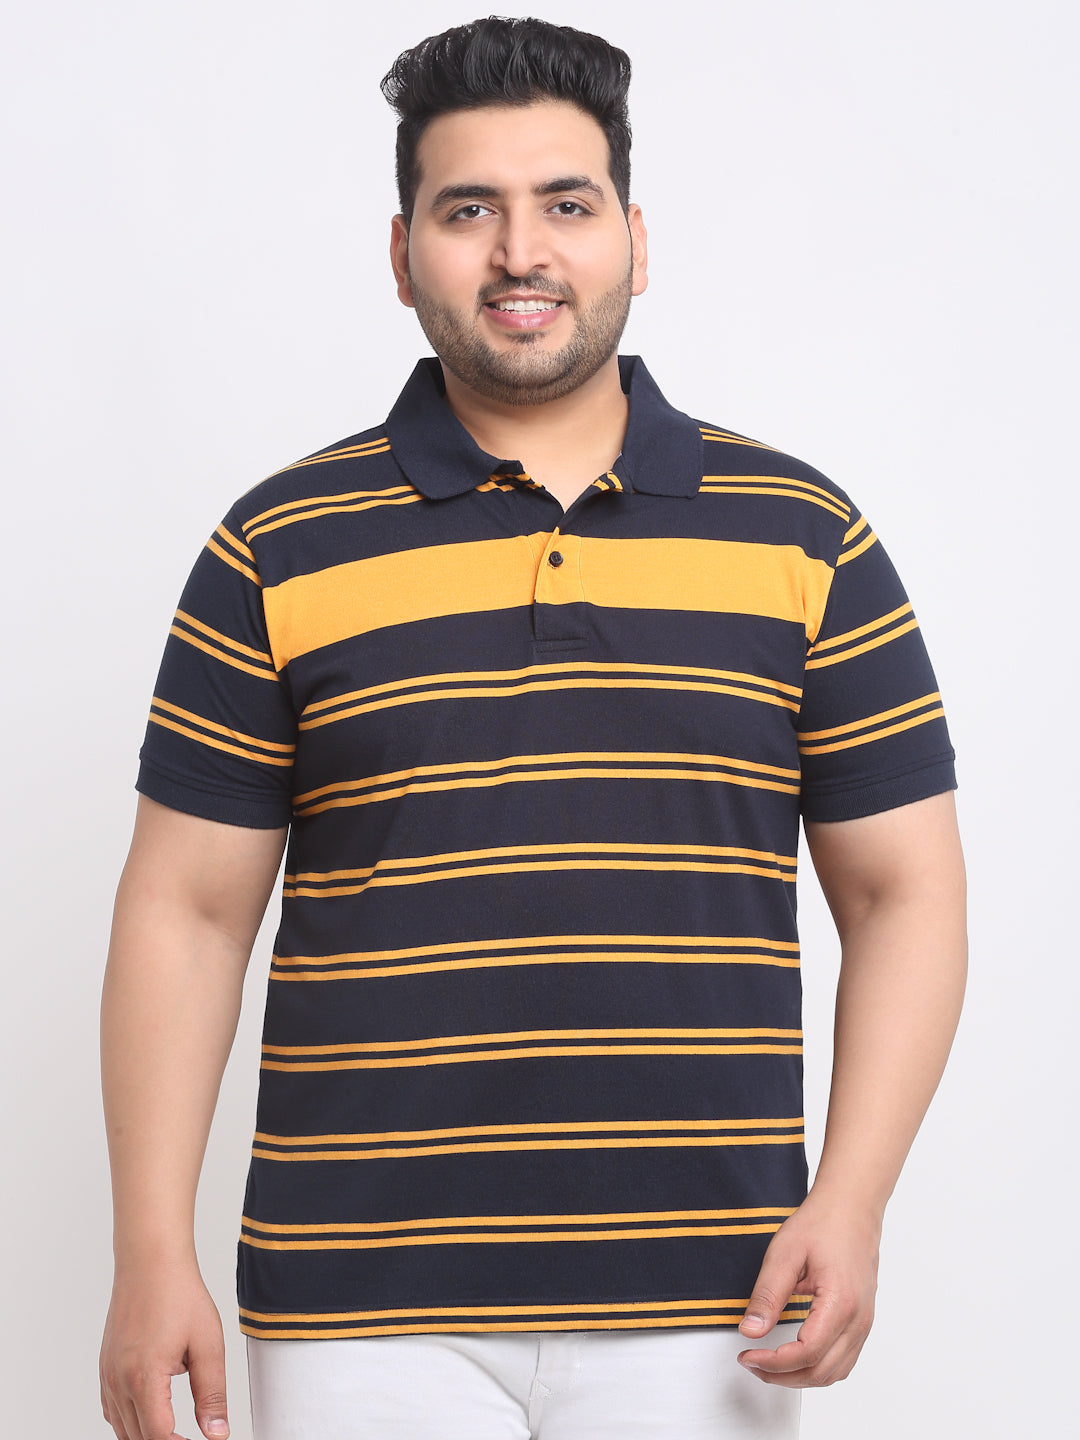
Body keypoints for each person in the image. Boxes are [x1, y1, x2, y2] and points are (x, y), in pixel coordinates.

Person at [98, 16, 967, 1440]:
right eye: (468, 211)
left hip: (714, 1294)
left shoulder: (806, 538)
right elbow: (186, 915)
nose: (521, 253)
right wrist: (148, 1253)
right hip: (356, 1305)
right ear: (402, 254)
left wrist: (854, 1198)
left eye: (567, 203)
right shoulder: (276, 546)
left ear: (635, 237)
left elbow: (905, 895)